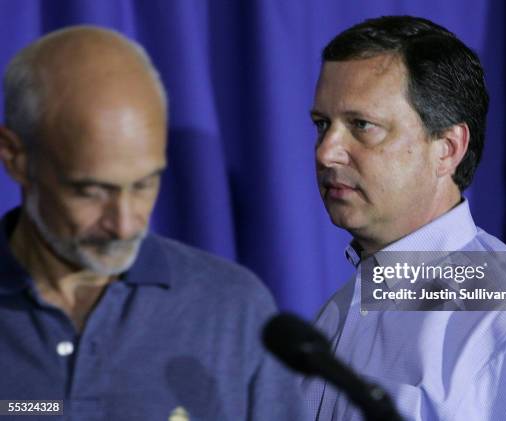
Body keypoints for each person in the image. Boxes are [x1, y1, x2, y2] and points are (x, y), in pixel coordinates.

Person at [303, 16, 506, 420]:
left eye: (362, 126)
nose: (327, 152)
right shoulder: (336, 313)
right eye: (323, 125)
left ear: (447, 149)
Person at [0, 26, 305, 420]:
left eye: (145, 184)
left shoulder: (231, 308)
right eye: (91, 191)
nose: (125, 225)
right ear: (15, 158)